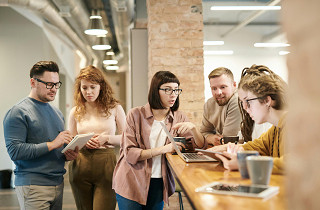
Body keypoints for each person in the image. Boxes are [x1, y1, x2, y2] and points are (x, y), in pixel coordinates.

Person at [112, 71, 204, 209]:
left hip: (159, 182)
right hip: (131, 180)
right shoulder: (135, 114)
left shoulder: (179, 117)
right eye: (167, 89)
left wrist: (194, 129)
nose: (173, 94)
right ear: (156, 91)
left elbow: (198, 147)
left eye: (176, 90)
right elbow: (130, 154)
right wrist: (164, 149)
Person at [3, 61, 78, 210]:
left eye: (57, 84)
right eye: (49, 84)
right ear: (33, 82)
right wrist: (53, 144)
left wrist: (66, 155)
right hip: (33, 186)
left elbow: (53, 150)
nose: (54, 89)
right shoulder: (18, 112)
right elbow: (15, 151)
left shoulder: (57, 113)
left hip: (57, 183)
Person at [211, 64, 288, 174]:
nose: (245, 108)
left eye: (248, 101)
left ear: (267, 100)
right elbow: (256, 146)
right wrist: (219, 150)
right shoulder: (276, 128)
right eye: (242, 102)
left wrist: (245, 164)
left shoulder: (297, 124)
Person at [68, 65, 126, 210]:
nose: (88, 92)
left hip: (106, 164)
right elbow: (70, 142)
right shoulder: (75, 111)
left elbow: (128, 138)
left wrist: (106, 139)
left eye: (93, 87)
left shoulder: (115, 108)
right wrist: (82, 143)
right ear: (79, 89)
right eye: (84, 87)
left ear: (101, 86)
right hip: (80, 164)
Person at [200, 67, 242, 146]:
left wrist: (209, 137)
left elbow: (227, 139)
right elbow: (203, 133)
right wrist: (211, 138)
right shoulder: (209, 103)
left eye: (223, 87)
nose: (218, 92)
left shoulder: (238, 101)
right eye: (214, 88)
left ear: (234, 85)